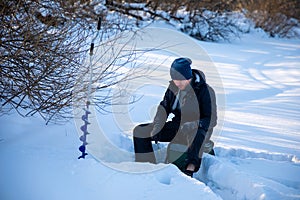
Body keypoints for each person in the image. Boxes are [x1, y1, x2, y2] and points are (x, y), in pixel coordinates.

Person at [133, 57, 217, 177]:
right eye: (175, 79)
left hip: (198, 129)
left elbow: (211, 119)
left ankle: (190, 169)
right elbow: (163, 108)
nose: (178, 83)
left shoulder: (205, 91)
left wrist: (192, 125)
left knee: (196, 134)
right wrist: (157, 126)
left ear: (189, 77)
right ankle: (146, 167)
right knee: (140, 131)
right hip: (177, 127)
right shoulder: (173, 87)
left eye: (181, 80)